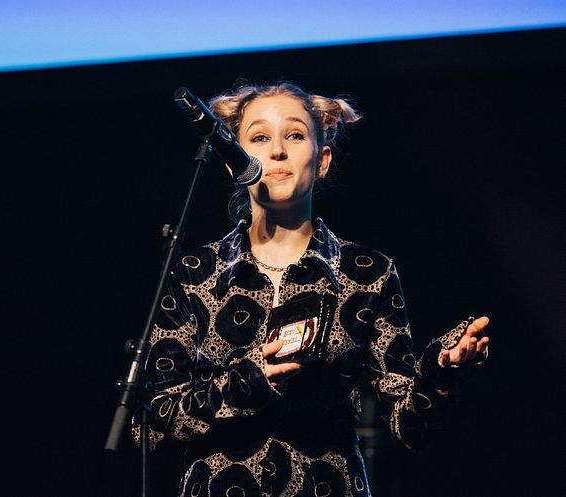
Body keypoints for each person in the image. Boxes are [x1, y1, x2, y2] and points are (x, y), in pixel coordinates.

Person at [138, 81, 490, 497]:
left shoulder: (367, 273)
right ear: (233, 162)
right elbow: (151, 426)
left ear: (322, 161)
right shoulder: (193, 272)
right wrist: (249, 381)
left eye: (295, 135)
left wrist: (440, 370)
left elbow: (407, 425)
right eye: (260, 137)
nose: (278, 151)